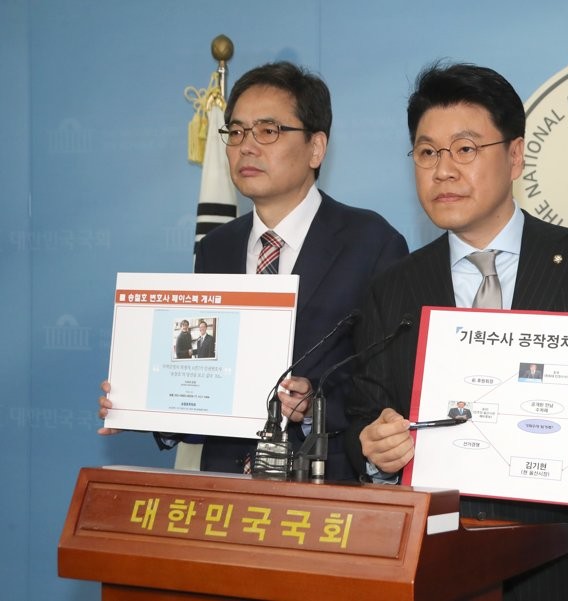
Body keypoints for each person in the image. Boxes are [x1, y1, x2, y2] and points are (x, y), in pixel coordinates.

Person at [343, 61, 568, 601]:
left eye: (465, 149)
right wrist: (376, 450)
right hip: (440, 571)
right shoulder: (392, 288)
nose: (443, 171)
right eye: (427, 153)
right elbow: (363, 417)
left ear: (515, 156)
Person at [98, 62, 408, 480]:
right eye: (237, 132)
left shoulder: (370, 242)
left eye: (268, 131)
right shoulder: (216, 248)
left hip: (321, 486)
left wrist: (314, 408)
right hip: (226, 486)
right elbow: (209, 376)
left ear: (316, 148)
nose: (246, 146)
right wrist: (145, 403)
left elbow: (387, 386)